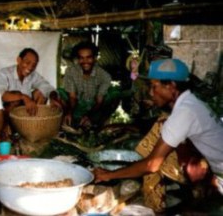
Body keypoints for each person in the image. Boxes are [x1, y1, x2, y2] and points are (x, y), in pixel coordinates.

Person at [94, 58, 223, 196]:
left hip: (219, 175)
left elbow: (151, 165)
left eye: (154, 86)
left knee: (152, 157)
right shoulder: (191, 102)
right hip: (211, 165)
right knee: (161, 125)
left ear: (171, 86)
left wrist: (108, 175)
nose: (150, 92)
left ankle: (162, 202)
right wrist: (127, 127)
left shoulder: (185, 113)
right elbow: (161, 127)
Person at [0, 48, 62, 116]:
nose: (30, 67)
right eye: (27, 63)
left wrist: (53, 98)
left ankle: (34, 121)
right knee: (16, 96)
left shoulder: (33, 75)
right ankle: (10, 124)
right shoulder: (4, 73)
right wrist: (23, 97)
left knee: (41, 92)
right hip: (8, 114)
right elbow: (2, 95)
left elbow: (47, 87)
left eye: (34, 65)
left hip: (27, 111)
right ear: (19, 60)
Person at [63, 41, 112, 128]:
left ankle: (100, 123)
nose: (85, 61)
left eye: (88, 57)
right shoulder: (70, 71)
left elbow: (99, 101)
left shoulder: (105, 76)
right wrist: (69, 113)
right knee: (58, 93)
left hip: (95, 107)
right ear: (78, 59)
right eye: (81, 58)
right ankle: (65, 120)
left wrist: (88, 116)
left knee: (114, 95)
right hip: (77, 105)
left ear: (95, 58)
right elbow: (72, 97)